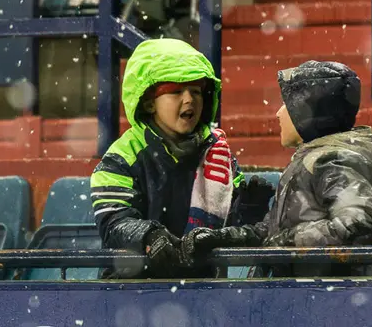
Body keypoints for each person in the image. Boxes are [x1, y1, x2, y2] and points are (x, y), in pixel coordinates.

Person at [182, 61, 372, 277]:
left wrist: (286, 242)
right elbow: (271, 233)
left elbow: (359, 224)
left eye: (287, 104)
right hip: (309, 296)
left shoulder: (333, 161)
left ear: (306, 113)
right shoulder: (311, 160)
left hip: (338, 300)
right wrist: (225, 237)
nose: (278, 113)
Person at [90, 38, 274, 278]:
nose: (189, 100)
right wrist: (150, 236)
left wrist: (249, 209)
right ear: (148, 103)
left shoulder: (218, 153)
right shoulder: (120, 158)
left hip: (205, 292)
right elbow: (114, 224)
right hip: (132, 293)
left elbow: (231, 231)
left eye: (196, 91)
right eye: (176, 91)